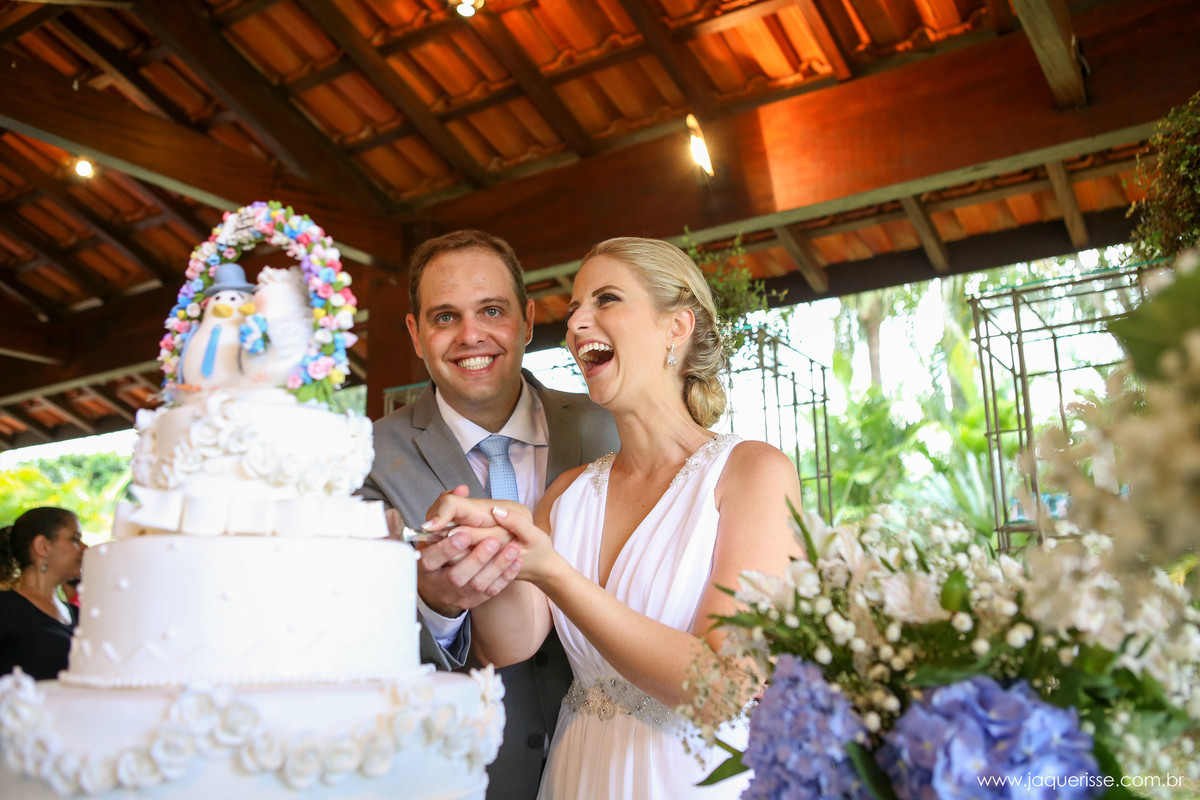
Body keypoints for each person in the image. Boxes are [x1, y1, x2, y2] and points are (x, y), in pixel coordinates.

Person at [424, 237, 804, 798]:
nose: (577, 322)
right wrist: (494, 545)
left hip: (694, 779)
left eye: (606, 300)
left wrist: (552, 571)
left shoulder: (752, 473)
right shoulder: (569, 493)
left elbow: (724, 686)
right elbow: (506, 646)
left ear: (677, 326)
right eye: (575, 308)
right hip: (581, 774)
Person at [358, 230, 618, 800]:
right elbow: (349, 636)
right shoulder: (364, 458)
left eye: (491, 310)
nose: (470, 335)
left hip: (618, 766)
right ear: (415, 335)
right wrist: (435, 605)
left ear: (527, 321)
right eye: (445, 316)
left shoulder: (610, 429)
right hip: (458, 778)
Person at [0, 507, 85, 680]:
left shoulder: (79, 615)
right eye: (75, 539)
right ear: (43, 546)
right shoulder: (5, 608)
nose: (84, 548)